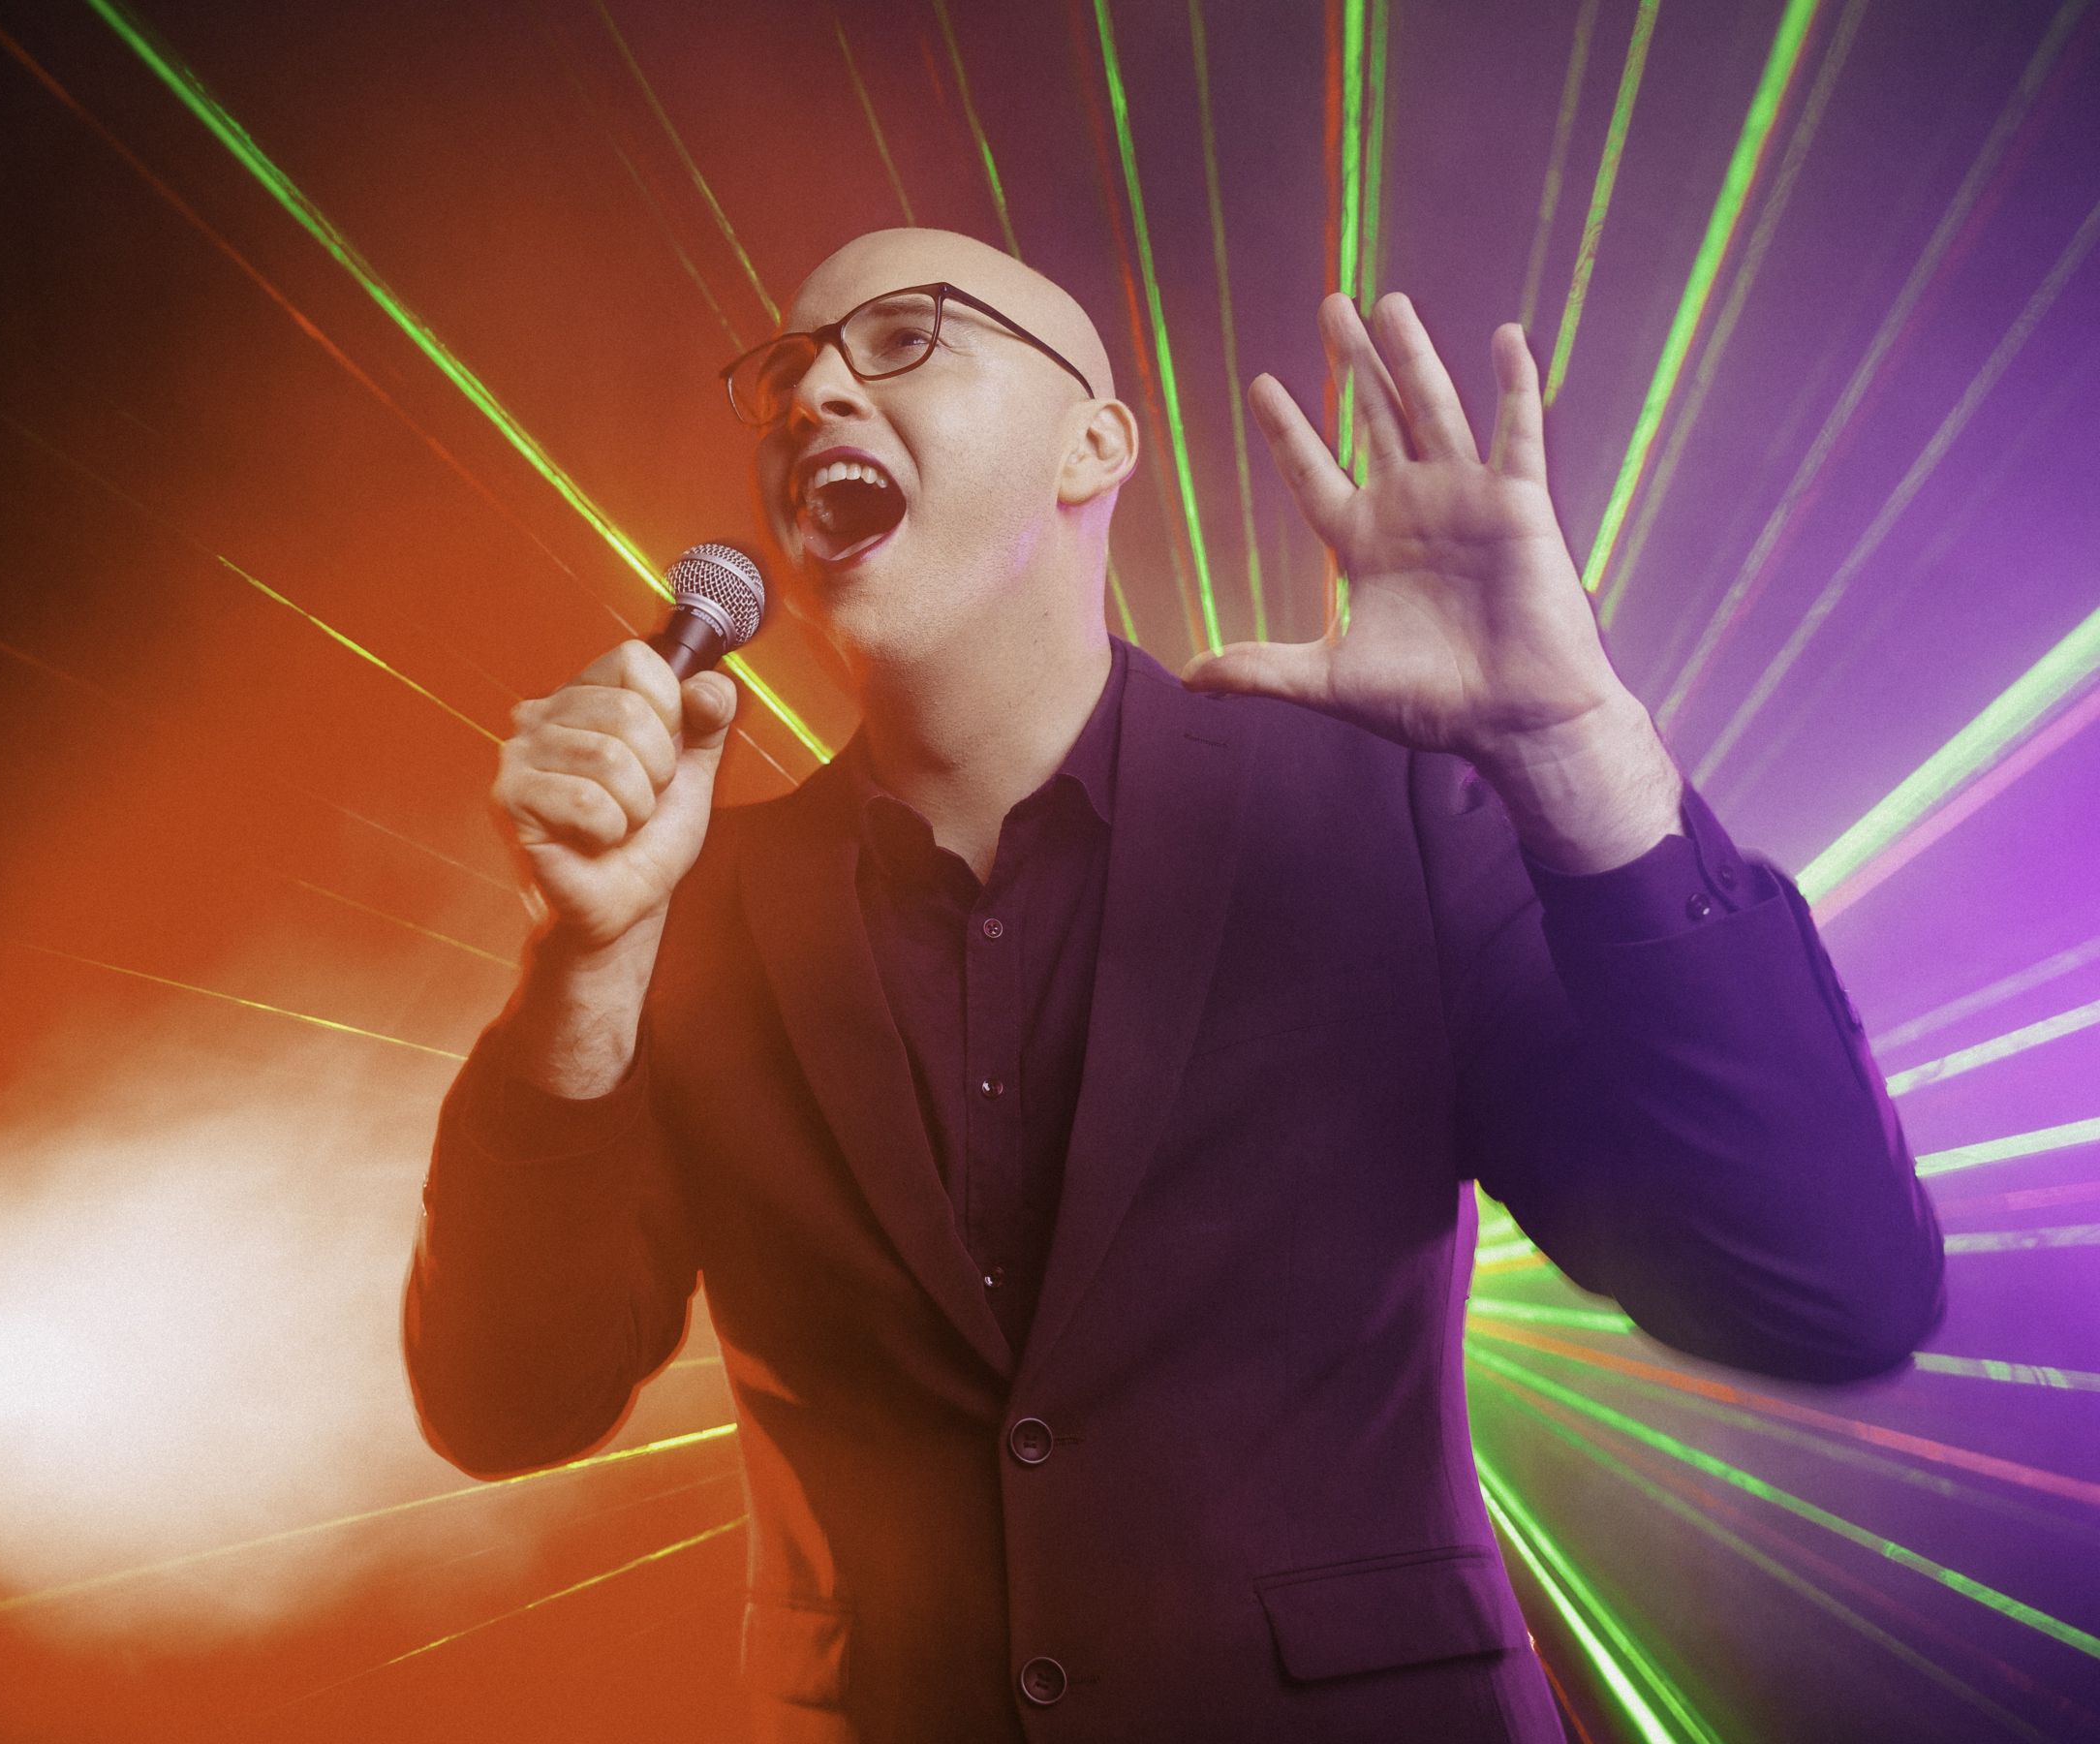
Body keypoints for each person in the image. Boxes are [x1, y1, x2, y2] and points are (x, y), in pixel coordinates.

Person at [401, 227, 1941, 1743]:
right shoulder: (693, 910)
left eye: (899, 338)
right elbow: (504, 1402)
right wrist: (584, 960)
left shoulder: (1381, 815)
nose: (813, 396)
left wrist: (1572, 746)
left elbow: (1819, 1288)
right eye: (786, 372)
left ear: (1092, 446)